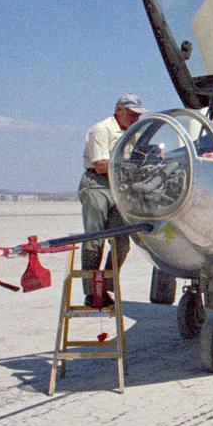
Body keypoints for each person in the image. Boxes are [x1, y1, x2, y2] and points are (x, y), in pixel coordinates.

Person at [78, 93, 146, 306]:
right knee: (94, 240)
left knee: (121, 243)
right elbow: (100, 164)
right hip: (97, 185)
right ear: (119, 111)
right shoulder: (101, 129)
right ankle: (91, 292)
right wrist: (131, 166)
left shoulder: (132, 134)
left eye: (137, 116)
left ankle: (105, 285)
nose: (135, 119)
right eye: (132, 115)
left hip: (119, 188)